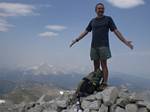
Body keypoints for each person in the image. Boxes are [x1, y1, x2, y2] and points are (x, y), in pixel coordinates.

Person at [69, 3, 133, 90]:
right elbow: (85, 32)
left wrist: (125, 41)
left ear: (104, 10)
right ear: (96, 10)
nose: (101, 10)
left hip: (104, 46)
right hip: (94, 46)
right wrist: (76, 40)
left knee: (104, 65)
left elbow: (116, 31)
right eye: (99, 8)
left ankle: (105, 83)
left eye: (102, 8)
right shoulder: (92, 21)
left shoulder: (108, 19)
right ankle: (96, 82)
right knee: (96, 67)